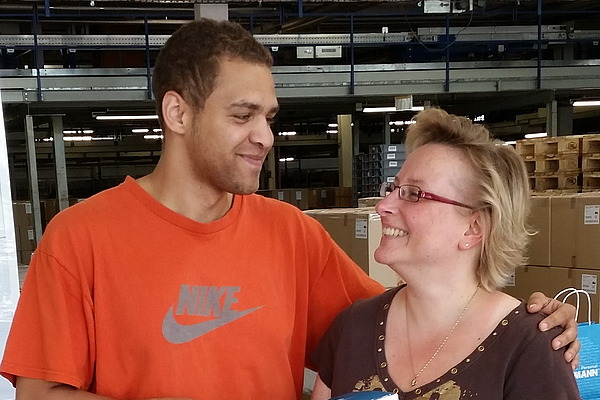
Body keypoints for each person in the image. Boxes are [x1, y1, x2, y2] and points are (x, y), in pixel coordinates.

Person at [0, 19, 578, 400]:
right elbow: (39, 391)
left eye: (269, 117)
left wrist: (531, 324)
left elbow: (415, 315)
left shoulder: (292, 236)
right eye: (242, 115)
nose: (265, 136)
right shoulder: (80, 238)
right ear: (177, 113)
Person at [310, 108, 582, 400]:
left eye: (413, 193)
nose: (383, 206)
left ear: (473, 228)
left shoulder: (530, 347)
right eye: (393, 188)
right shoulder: (353, 328)